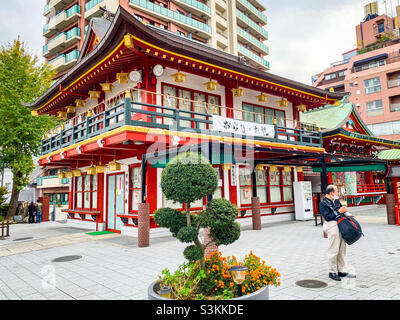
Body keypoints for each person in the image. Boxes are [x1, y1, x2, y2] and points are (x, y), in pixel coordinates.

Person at [319, 184, 356, 281]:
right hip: (331, 226)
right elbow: (327, 217)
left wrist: (344, 211)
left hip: (341, 225)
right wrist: (339, 211)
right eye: (336, 192)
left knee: (342, 249)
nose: (338, 194)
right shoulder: (323, 203)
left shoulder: (335, 200)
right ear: (331, 193)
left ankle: (341, 270)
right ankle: (332, 271)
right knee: (334, 249)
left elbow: (340, 209)